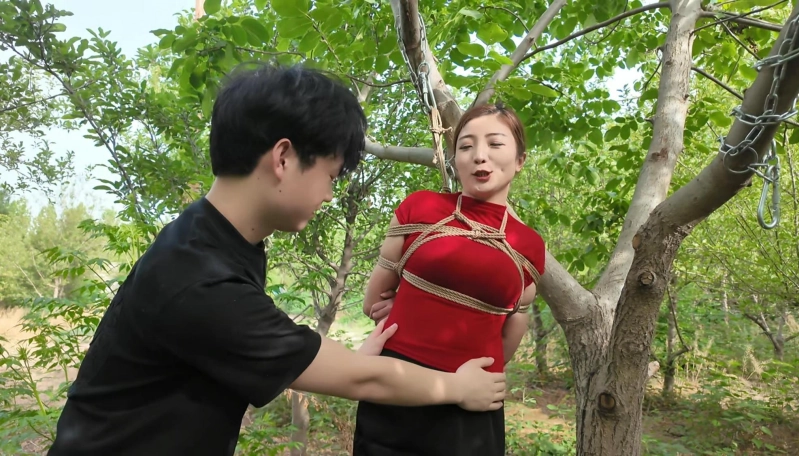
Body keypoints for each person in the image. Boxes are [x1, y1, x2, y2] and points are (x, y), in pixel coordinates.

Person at [46, 64, 508, 456]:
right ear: (283, 157)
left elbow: (260, 347)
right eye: (330, 175)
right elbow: (361, 381)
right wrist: (456, 388)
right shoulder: (199, 278)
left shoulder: (212, 239)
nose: (329, 194)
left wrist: (345, 359)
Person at [353, 103, 546, 456]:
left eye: (495, 144)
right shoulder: (420, 208)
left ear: (520, 159)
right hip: (396, 384)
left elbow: (510, 335)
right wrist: (414, 304)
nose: (479, 155)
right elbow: (374, 303)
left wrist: (475, 376)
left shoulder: (529, 246)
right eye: (466, 146)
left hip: (474, 402)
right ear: (455, 159)